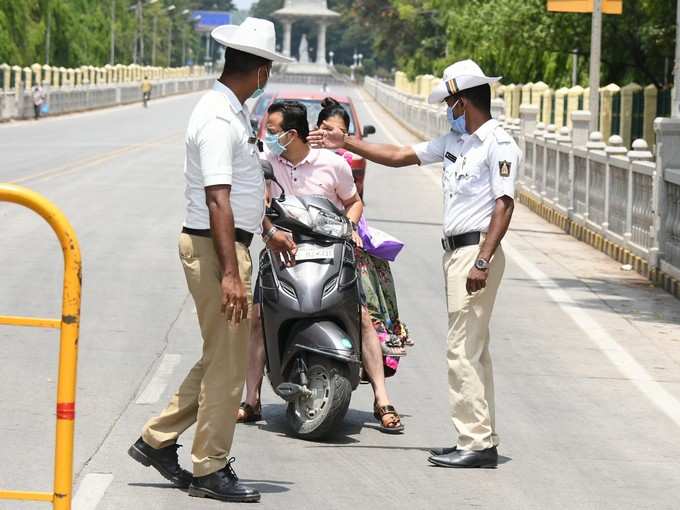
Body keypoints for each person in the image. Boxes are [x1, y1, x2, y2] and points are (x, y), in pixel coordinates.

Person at [308, 59, 521, 468]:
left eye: (450, 103)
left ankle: (475, 444)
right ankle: (481, 436)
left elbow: (504, 205)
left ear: (463, 101)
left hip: (475, 253)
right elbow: (399, 153)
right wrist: (346, 142)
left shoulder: (499, 144)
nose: (448, 110)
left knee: (462, 350)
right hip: (456, 254)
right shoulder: (455, 142)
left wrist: (482, 258)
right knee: (474, 350)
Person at [128, 18, 293, 503]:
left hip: (225, 241)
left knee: (220, 357)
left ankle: (156, 440)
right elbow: (218, 198)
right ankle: (209, 469)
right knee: (228, 365)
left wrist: (264, 229)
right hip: (215, 247)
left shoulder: (233, 112)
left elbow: (239, 192)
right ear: (260, 71)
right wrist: (229, 272)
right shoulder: (220, 118)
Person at [237, 100, 405, 434]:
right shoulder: (267, 162)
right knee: (257, 318)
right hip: (281, 250)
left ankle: (382, 399)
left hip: (329, 250)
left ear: (292, 134)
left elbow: (354, 202)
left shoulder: (332, 164)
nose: (267, 138)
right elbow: (257, 204)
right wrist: (270, 232)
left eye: (272, 132)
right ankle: (251, 398)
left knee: (362, 319)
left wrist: (352, 230)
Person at [315, 97, 413, 371]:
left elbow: (354, 203)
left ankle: (383, 338)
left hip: (343, 230)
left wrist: (349, 230)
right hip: (307, 234)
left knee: (370, 271)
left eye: (336, 131)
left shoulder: (346, 162)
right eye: (324, 128)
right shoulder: (299, 157)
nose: (329, 135)